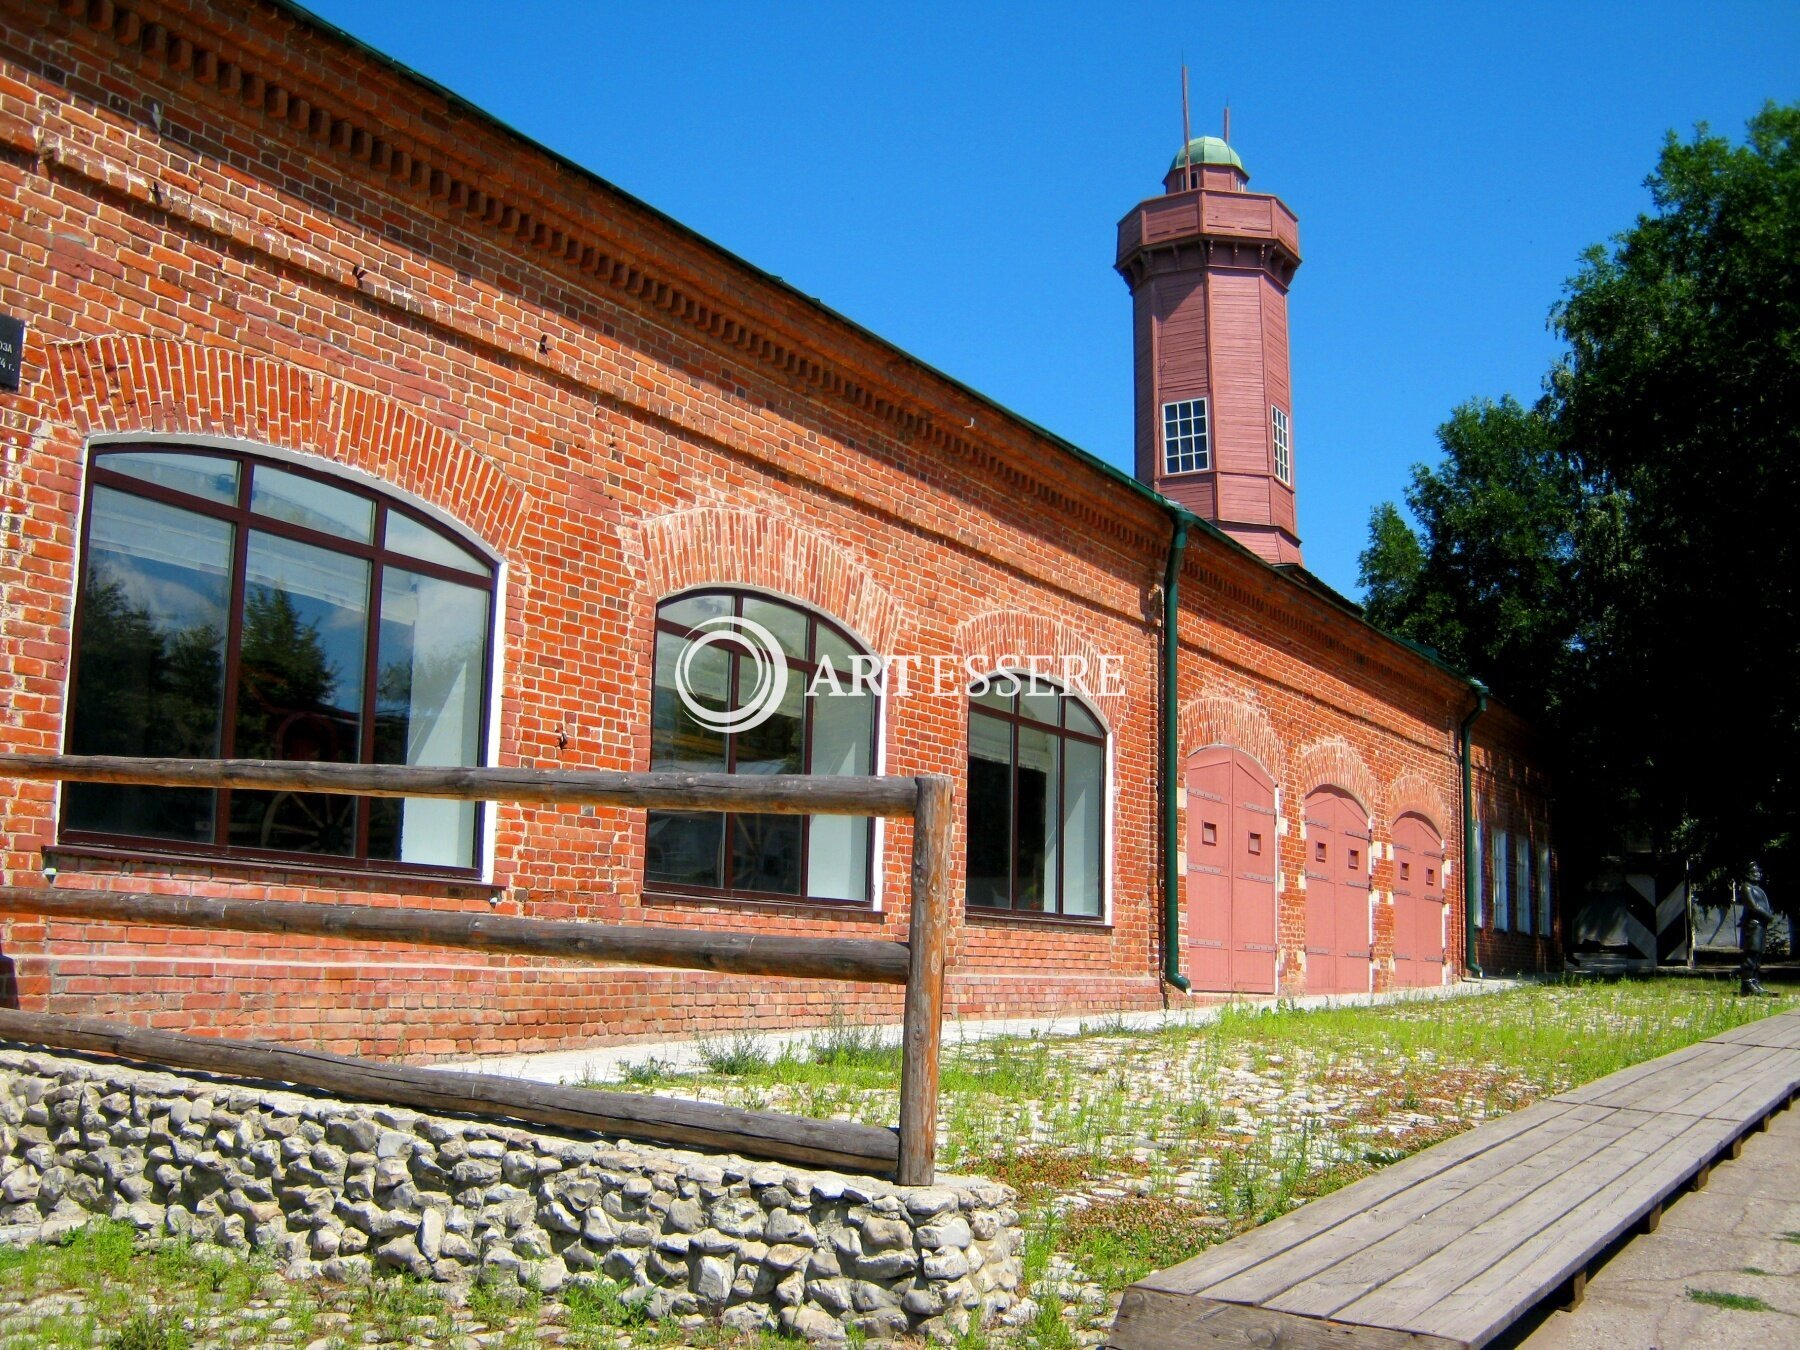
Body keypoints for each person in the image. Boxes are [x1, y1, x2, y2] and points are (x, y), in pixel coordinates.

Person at [1739, 866, 1775, 997]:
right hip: (1753, 925)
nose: (1758, 874)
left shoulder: (1757, 888)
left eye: (1759, 871)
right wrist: (1767, 915)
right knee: (1751, 954)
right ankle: (1747, 983)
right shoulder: (1746, 887)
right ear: (1747, 873)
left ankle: (1754, 980)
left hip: (1761, 925)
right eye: (1754, 872)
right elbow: (1753, 906)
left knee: (1758, 954)